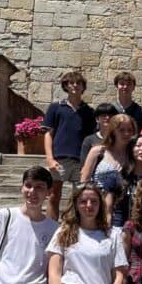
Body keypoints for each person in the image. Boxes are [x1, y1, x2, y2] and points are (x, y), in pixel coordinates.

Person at [43, 71, 96, 220]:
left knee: (79, 198)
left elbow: (91, 137)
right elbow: (48, 134)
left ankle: (73, 227)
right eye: (71, 83)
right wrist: (50, 158)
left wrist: (89, 162)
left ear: (83, 87)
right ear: (65, 86)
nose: (75, 86)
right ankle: (50, 228)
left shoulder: (89, 112)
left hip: (80, 160)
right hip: (59, 159)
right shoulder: (56, 107)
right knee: (54, 195)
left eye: (78, 83)